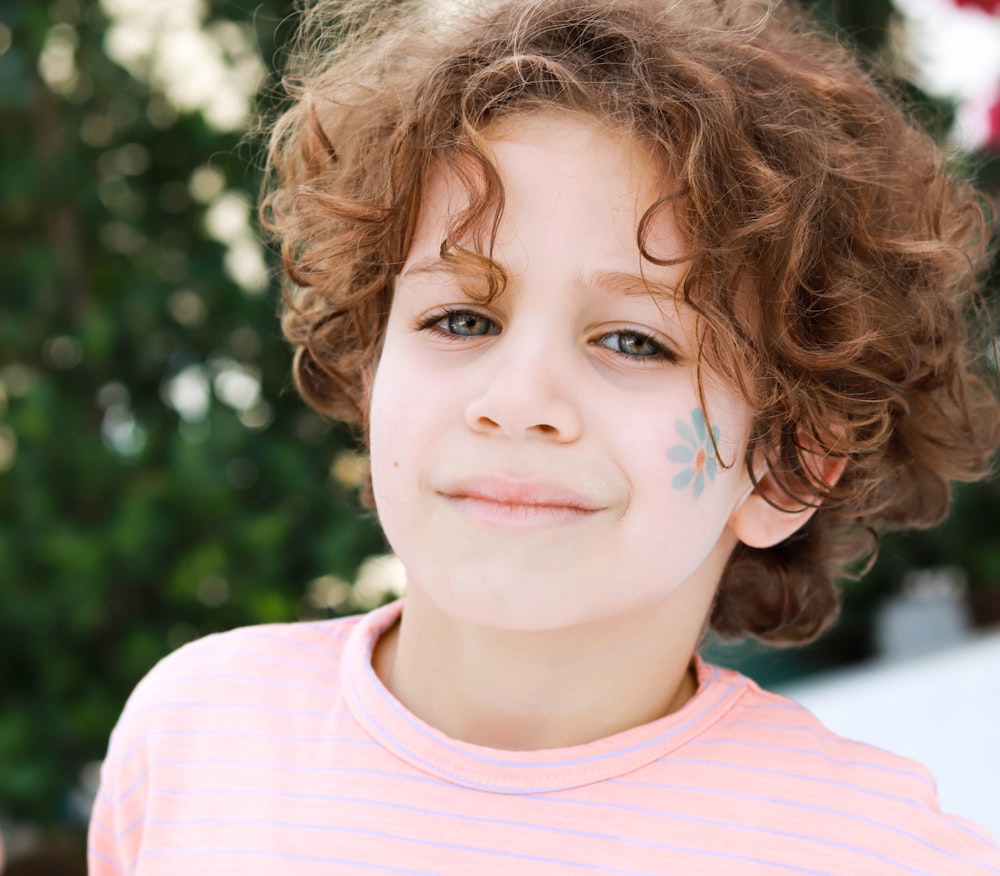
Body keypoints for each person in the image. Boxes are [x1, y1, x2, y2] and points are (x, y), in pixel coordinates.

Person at [88, 0, 1000, 872]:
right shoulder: (199, 738)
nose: (517, 399)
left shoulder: (872, 854)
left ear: (787, 463)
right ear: (371, 376)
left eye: (634, 340)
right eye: (460, 321)